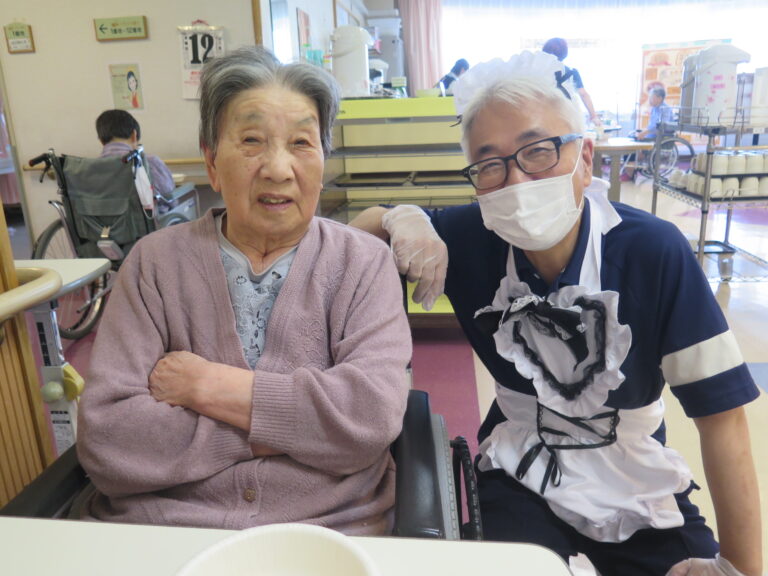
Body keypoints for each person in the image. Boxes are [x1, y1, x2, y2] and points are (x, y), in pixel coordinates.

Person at [349, 50, 762, 575]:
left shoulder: (652, 252)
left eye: (539, 151)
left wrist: (738, 567)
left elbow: (721, 416)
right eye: (490, 164)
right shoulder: (471, 237)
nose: (517, 182)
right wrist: (398, 217)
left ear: (585, 157)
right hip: (519, 465)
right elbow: (341, 244)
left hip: (633, 470)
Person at [76, 46, 412, 535]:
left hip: (327, 530)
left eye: (301, 143)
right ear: (212, 161)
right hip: (164, 530)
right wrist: (298, 428)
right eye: (252, 140)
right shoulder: (153, 264)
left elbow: (369, 419)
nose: (278, 169)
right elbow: (110, 441)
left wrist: (208, 387)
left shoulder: (362, 263)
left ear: (323, 160)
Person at [96, 109, 175, 197]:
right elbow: (170, 198)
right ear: (134, 135)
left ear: (101, 141)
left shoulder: (90, 169)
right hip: (148, 206)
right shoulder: (150, 162)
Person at [542, 37, 601, 127]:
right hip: (566, 116)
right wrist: (593, 116)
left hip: (543, 115)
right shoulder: (571, 72)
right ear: (564, 53)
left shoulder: (537, 70)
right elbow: (583, 94)